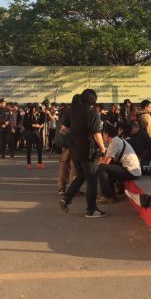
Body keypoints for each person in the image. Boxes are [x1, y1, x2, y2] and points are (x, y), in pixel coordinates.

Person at [59, 89, 108, 218]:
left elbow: (64, 129)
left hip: (75, 149)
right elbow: (96, 133)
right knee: (92, 179)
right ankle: (91, 210)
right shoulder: (92, 112)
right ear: (93, 100)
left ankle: (66, 198)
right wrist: (103, 149)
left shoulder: (72, 111)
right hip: (88, 151)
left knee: (81, 175)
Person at [97, 123, 141, 203]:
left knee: (102, 168)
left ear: (107, 134)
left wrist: (98, 164)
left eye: (103, 134)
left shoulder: (114, 142)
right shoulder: (117, 140)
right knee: (106, 168)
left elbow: (106, 162)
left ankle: (108, 196)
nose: (102, 136)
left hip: (131, 171)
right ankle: (111, 193)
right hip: (132, 170)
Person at [24, 103, 46, 169]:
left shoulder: (40, 114)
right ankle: (29, 163)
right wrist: (34, 125)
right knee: (29, 148)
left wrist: (41, 125)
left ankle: (39, 163)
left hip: (37, 132)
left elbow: (42, 121)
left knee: (39, 148)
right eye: (35, 109)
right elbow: (25, 124)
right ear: (32, 108)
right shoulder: (27, 114)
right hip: (29, 132)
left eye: (37, 109)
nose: (36, 110)